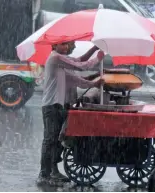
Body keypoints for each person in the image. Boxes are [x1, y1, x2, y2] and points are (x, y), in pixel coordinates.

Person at [37, 42, 104, 186]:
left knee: (57, 141)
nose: (66, 47)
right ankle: (44, 174)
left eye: (68, 45)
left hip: (60, 105)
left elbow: (78, 64)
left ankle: (53, 171)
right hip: (51, 106)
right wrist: (98, 58)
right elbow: (81, 66)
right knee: (49, 141)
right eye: (64, 45)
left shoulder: (62, 62)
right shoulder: (55, 58)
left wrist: (94, 48)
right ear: (54, 46)